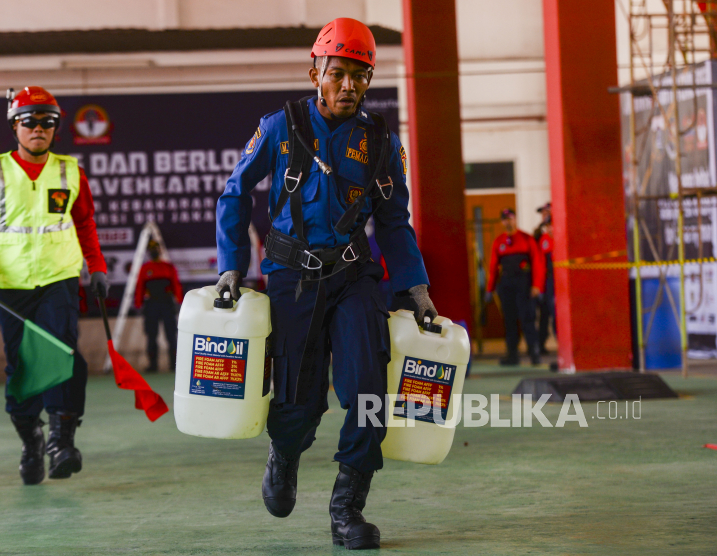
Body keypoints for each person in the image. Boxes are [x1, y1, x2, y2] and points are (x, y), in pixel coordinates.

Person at [215, 18, 436, 550]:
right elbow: (234, 193)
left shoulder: (381, 142)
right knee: (298, 400)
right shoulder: (279, 128)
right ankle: (285, 453)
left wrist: (416, 289)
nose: (349, 86)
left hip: (354, 277)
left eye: (360, 76)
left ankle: (346, 510)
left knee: (368, 392)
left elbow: (394, 222)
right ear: (316, 73)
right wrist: (231, 266)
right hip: (291, 278)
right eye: (338, 73)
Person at [0, 86, 109, 485]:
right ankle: (31, 439)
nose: (38, 128)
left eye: (47, 121)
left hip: (58, 278)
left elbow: (84, 223)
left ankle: (61, 443)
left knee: (60, 352)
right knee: (22, 366)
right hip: (8, 285)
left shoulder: (70, 172)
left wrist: (97, 267)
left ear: (56, 128)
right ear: (15, 127)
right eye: (29, 121)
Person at [485, 208, 544, 365]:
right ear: (502, 222)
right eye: (505, 219)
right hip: (506, 284)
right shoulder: (499, 241)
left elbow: (537, 263)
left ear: (515, 219)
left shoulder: (526, 238)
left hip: (523, 283)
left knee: (527, 318)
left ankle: (534, 353)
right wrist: (490, 288)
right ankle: (512, 355)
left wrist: (537, 285)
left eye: (510, 218)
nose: (508, 222)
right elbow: (493, 267)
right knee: (510, 320)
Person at [134, 240, 183, 373]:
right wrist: (138, 304)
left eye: (155, 248)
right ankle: (153, 365)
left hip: (167, 304)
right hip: (152, 305)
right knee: (151, 335)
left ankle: (174, 364)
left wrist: (179, 301)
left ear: (160, 250)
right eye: (151, 249)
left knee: (171, 335)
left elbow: (176, 285)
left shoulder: (168, 267)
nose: (154, 251)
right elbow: (140, 287)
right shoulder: (145, 268)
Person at [533, 203, 555, 355]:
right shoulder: (540, 236)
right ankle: (540, 344)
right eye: (543, 213)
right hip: (546, 281)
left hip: (557, 279)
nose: (544, 215)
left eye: (547, 212)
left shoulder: (558, 233)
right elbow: (538, 263)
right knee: (544, 314)